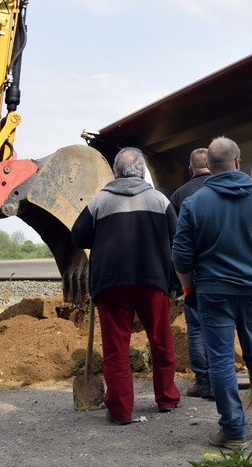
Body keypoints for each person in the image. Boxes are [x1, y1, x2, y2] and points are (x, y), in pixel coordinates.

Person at [171, 137, 252, 449]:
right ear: (239, 162)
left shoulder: (194, 203)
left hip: (214, 292)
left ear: (208, 166)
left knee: (222, 360)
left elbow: (181, 257)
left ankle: (234, 431)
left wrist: (188, 289)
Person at [72, 146, 181, 425]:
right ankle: (167, 398)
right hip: (152, 279)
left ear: (116, 172)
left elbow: (78, 236)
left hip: (111, 283)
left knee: (116, 348)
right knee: (161, 341)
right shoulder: (159, 200)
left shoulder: (100, 201)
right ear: (142, 171)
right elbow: (176, 236)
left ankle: (120, 411)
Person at [168, 147, 213, 399]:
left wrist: (180, 280)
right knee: (223, 325)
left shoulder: (180, 195)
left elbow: (176, 240)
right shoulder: (223, 189)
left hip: (194, 273)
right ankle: (222, 378)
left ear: (190, 169)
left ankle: (204, 381)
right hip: (224, 270)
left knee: (195, 327)